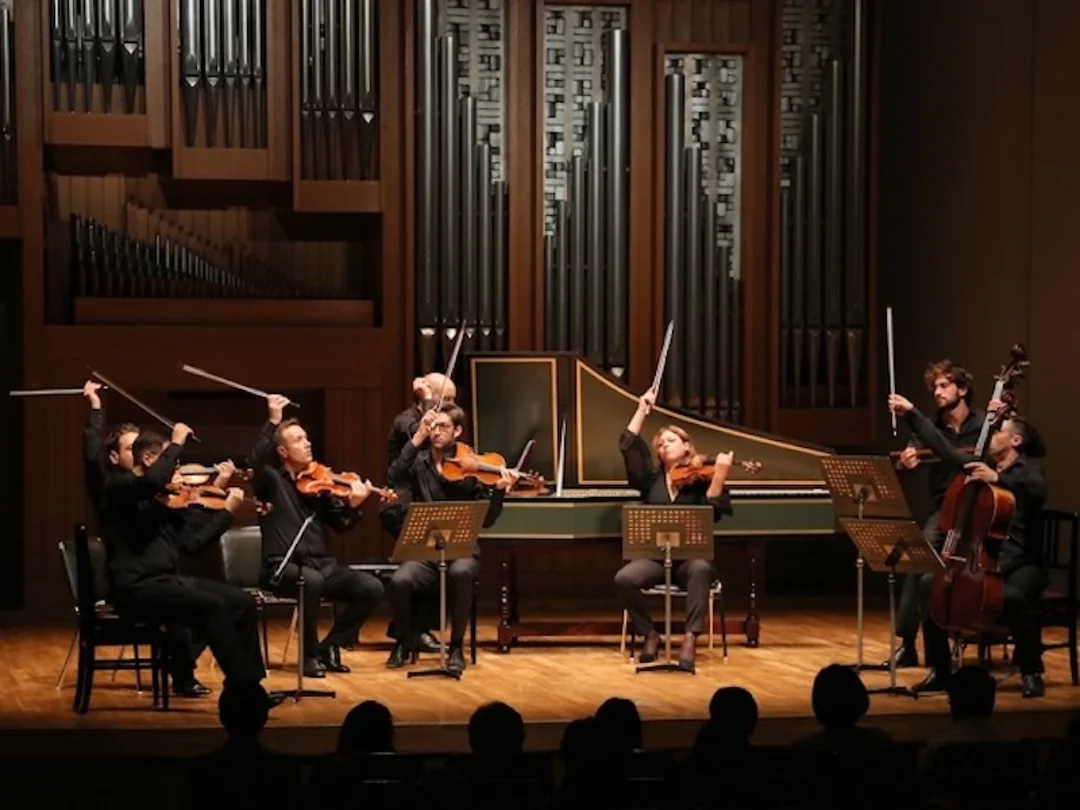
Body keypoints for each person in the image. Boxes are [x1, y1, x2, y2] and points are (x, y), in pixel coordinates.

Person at [890, 393, 1048, 697]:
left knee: (1012, 596)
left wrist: (998, 480)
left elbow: (1038, 491)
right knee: (927, 584)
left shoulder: (1029, 470)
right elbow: (945, 449)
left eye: (1000, 430)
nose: (992, 433)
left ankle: (1031, 671)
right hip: (983, 558)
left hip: (1022, 563)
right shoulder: (980, 465)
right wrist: (912, 415)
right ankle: (940, 669)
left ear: (1015, 441)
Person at [101, 426, 269, 690]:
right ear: (148, 459)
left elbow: (192, 542)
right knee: (211, 606)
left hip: (166, 581)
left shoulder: (163, 499)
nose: (176, 472)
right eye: (170, 462)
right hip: (136, 586)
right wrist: (177, 441)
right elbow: (151, 482)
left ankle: (253, 684)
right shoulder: (118, 488)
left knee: (241, 601)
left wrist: (226, 510)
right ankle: (242, 686)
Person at [82, 380, 208, 697]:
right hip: (133, 581)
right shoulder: (114, 487)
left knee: (216, 605)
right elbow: (91, 454)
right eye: (130, 449)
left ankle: (174, 663)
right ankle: (180, 672)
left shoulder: (153, 491)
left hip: (158, 575)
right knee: (184, 608)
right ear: (114, 458)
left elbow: (184, 537)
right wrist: (96, 410)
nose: (141, 454)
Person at [248, 395, 385, 678]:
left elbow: (341, 525)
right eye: (298, 440)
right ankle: (307, 656)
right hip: (282, 567)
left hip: (322, 565)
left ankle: (328, 646)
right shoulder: (271, 481)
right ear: (283, 452)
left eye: (306, 438)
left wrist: (354, 506)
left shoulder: (320, 482)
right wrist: (272, 420)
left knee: (371, 588)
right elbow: (254, 462)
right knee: (309, 581)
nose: (307, 443)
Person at [384, 402, 516, 671]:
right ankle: (403, 640)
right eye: (434, 426)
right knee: (400, 581)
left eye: (444, 426)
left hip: (462, 550)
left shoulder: (473, 468)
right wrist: (418, 436)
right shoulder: (418, 462)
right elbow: (394, 474)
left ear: (457, 431)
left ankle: (456, 647)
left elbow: (487, 520)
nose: (437, 432)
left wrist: (499, 492)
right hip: (425, 550)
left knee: (462, 574)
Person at [613, 388, 733, 672]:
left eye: (671, 440)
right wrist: (642, 409)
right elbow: (629, 445)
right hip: (656, 557)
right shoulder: (650, 479)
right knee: (625, 578)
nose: (663, 445)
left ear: (686, 446)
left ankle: (690, 638)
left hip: (689, 559)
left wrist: (719, 477)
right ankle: (650, 634)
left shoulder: (702, 478)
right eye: (660, 443)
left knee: (701, 569)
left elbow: (714, 512)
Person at [887, 360, 986, 669]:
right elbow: (909, 458)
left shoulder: (984, 425)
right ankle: (907, 644)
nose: (938, 392)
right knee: (918, 563)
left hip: (980, 506)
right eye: (935, 388)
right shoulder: (930, 427)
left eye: (944, 385)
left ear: (963, 389)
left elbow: (955, 455)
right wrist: (906, 461)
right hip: (943, 509)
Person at [379, 372, 457, 654]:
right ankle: (411, 629)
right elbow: (420, 438)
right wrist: (426, 401)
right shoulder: (406, 421)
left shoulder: (441, 421)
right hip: (401, 508)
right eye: (445, 399)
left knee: (442, 559)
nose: (450, 405)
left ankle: (409, 627)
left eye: (453, 400)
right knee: (430, 558)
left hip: (423, 506)